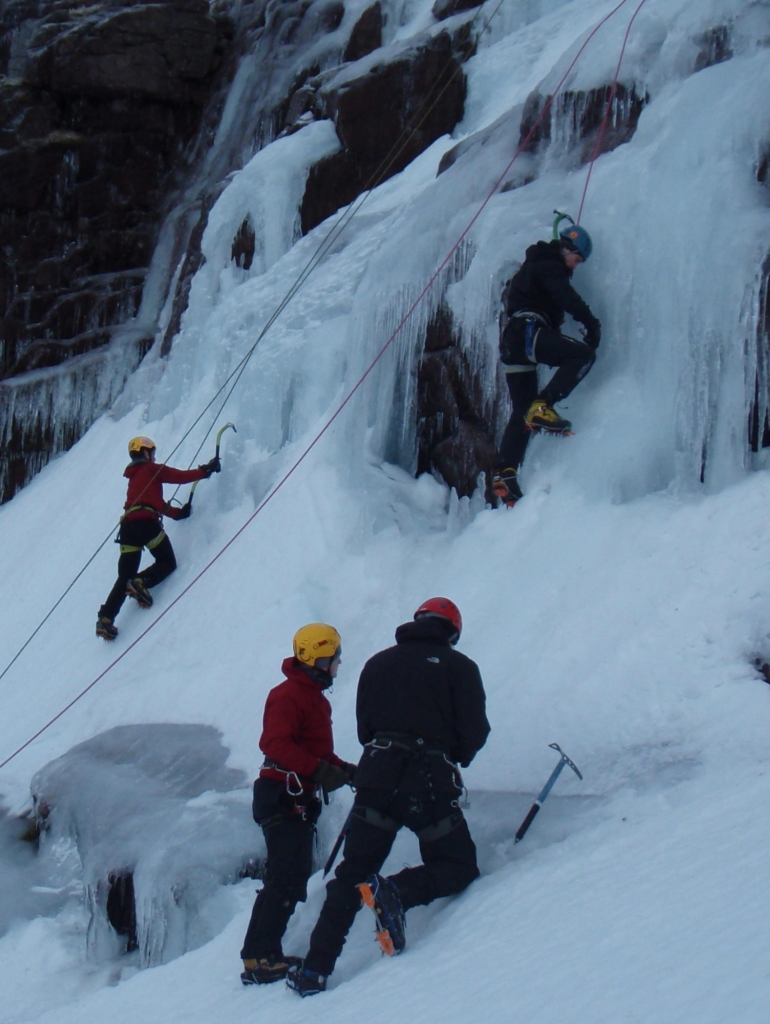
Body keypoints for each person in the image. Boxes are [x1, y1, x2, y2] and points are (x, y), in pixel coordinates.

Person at [288, 599, 489, 996]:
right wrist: (453, 755)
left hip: (377, 776)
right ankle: (398, 891)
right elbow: (474, 730)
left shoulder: (377, 664)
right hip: (428, 781)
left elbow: (365, 729)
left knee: (351, 873)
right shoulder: (460, 667)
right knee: (457, 865)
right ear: (452, 631)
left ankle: (314, 970)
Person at [240, 623, 358, 986]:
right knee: (285, 877)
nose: (338, 664)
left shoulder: (312, 698)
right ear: (319, 660)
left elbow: (316, 752)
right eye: (334, 658)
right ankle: (258, 958)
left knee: (289, 877)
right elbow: (275, 744)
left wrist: (345, 770)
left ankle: (263, 954)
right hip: (282, 794)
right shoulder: (289, 695)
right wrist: (319, 770)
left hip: (293, 794)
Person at [492, 222, 600, 506]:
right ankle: (545, 404)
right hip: (528, 332)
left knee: (521, 411)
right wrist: (591, 323)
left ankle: (505, 473)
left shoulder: (535, 266)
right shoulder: (549, 264)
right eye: (576, 260)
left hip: (512, 341)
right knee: (582, 355)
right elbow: (565, 296)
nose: (575, 267)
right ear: (567, 248)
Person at [96, 436, 220, 639]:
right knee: (167, 561)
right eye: (152, 452)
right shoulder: (150, 470)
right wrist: (205, 471)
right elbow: (177, 476)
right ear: (145, 453)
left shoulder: (135, 477)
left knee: (124, 575)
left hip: (128, 529)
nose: (154, 456)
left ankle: (106, 618)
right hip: (146, 525)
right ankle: (141, 582)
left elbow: (155, 503)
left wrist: (178, 514)